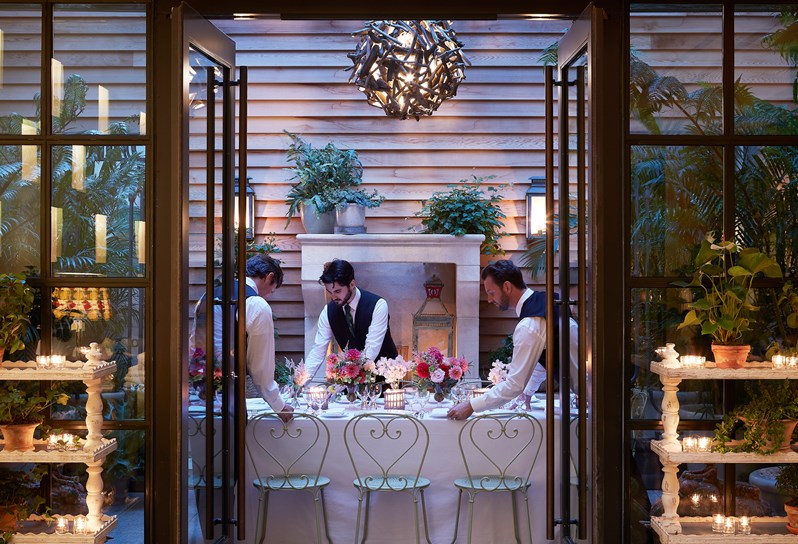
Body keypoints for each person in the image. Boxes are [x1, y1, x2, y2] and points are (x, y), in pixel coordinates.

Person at [448, 259, 559, 420]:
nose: (489, 299)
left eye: (491, 292)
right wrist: (527, 393)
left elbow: (514, 385)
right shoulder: (544, 302)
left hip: (589, 396)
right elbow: (545, 359)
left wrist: (471, 405)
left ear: (507, 287)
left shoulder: (529, 325)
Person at [190, 254, 293, 422]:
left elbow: (193, 345)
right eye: (272, 290)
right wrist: (278, 405)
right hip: (230, 404)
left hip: (197, 403)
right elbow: (260, 367)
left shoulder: (205, 297)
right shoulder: (256, 304)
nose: (268, 295)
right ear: (269, 277)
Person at [305, 259, 398, 378]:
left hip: (386, 378)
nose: (333, 297)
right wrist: (300, 382)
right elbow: (318, 350)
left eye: (338, 291)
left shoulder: (378, 305)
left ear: (352, 284)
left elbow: (371, 350)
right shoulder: (328, 311)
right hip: (351, 380)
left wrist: (348, 378)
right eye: (330, 292)